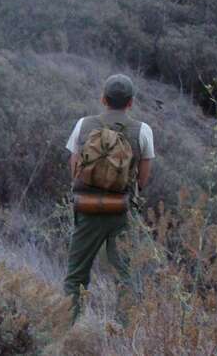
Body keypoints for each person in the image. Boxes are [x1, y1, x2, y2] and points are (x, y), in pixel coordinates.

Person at [63, 73, 155, 323]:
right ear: (131, 103)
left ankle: (66, 332)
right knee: (126, 277)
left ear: (103, 99)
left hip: (87, 210)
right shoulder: (143, 131)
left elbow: (74, 170)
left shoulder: (83, 125)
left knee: (76, 276)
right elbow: (143, 181)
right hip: (122, 213)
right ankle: (123, 337)